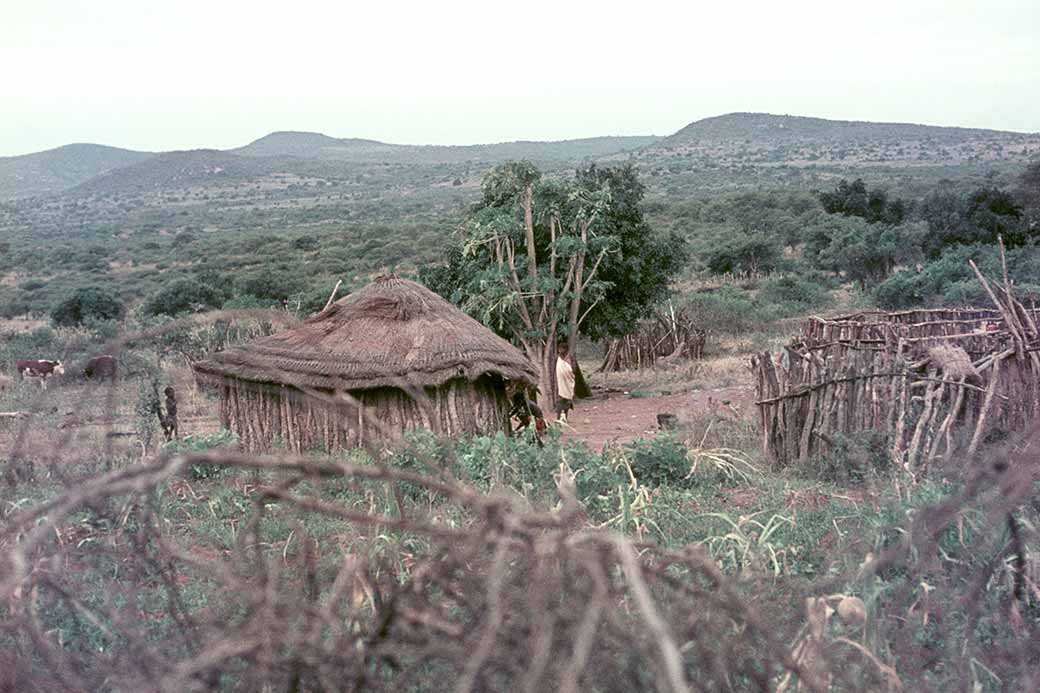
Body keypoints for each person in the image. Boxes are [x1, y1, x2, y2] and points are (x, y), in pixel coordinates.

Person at [555, 342, 576, 423]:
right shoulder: (558, 358)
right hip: (561, 382)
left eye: (562, 349)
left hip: (569, 381)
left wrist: (569, 372)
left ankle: (565, 416)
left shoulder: (570, 358)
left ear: (566, 349)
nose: (560, 350)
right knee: (560, 399)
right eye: (559, 349)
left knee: (568, 400)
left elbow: (574, 369)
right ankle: (558, 417)